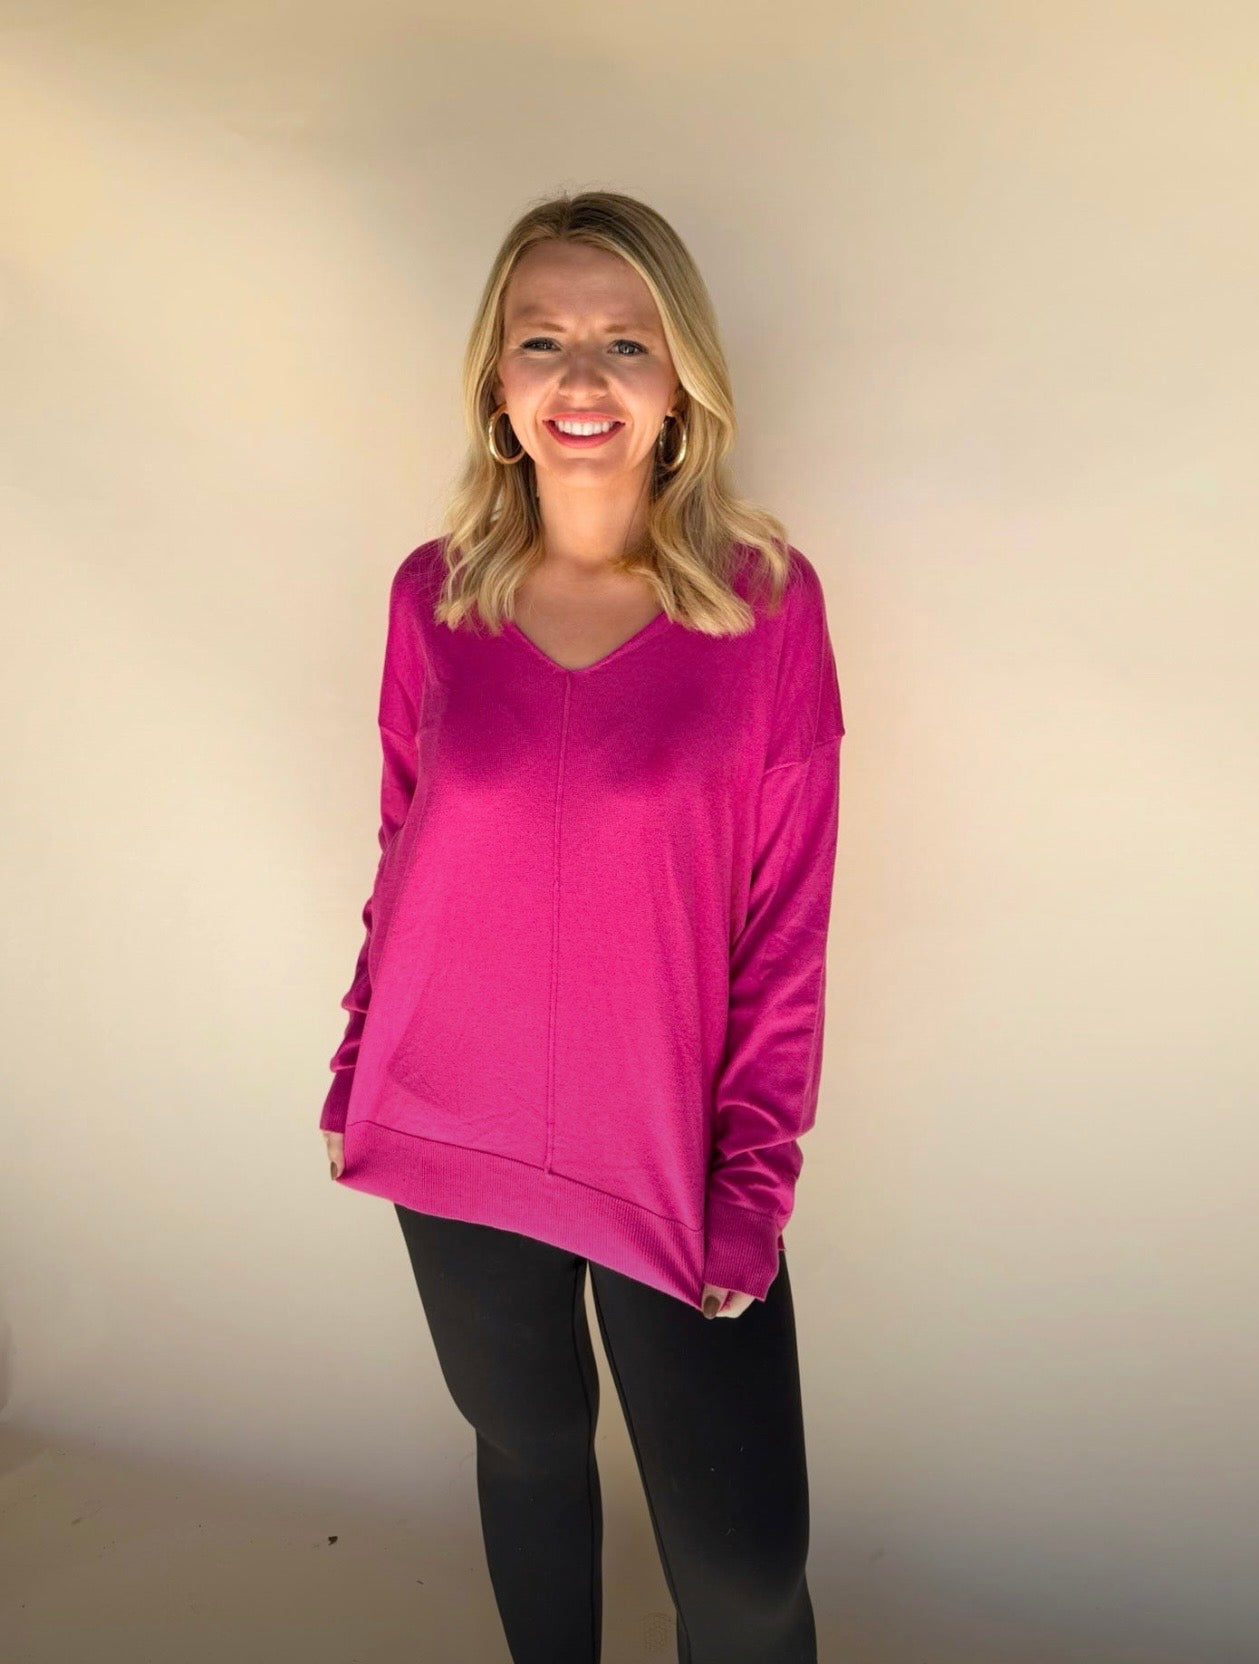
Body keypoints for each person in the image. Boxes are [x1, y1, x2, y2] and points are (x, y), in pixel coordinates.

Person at [318, 190, 845, 1664]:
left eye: (625, 341)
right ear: (497, 380)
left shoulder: (762, 609)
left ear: (680, 381)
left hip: (667, 1152)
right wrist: (356, 1067)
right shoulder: (433, 598)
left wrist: (752, 1180)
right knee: (530, 1453)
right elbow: (403, 853)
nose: (581, 376)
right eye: (541, 338)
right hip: (449, 1120)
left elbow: (786, 924)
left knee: (745, 1573)